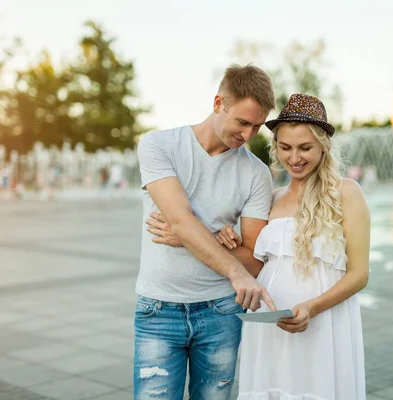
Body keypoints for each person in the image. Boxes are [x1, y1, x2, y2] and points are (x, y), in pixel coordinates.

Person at [135, 64, 278, 400]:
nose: (248, 135)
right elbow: (181, 220)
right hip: (159, 309)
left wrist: (203, 239)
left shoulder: (257, 175)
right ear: (218, 103)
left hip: (221, 312)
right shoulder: (159, 145)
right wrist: (231, 266)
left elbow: (255, 261)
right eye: (242, 122)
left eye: (257, 126)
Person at [219, 94, 370, 399]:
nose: (294, 157)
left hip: (322, 322)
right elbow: (255, 264)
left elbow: (359, 274)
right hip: (269, 325)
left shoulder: (346, 193)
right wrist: (222, 240)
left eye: (305, 148)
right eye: (285, 147)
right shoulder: (271, 198)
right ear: (275, 147)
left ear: (323, 146)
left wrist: (311, 308)